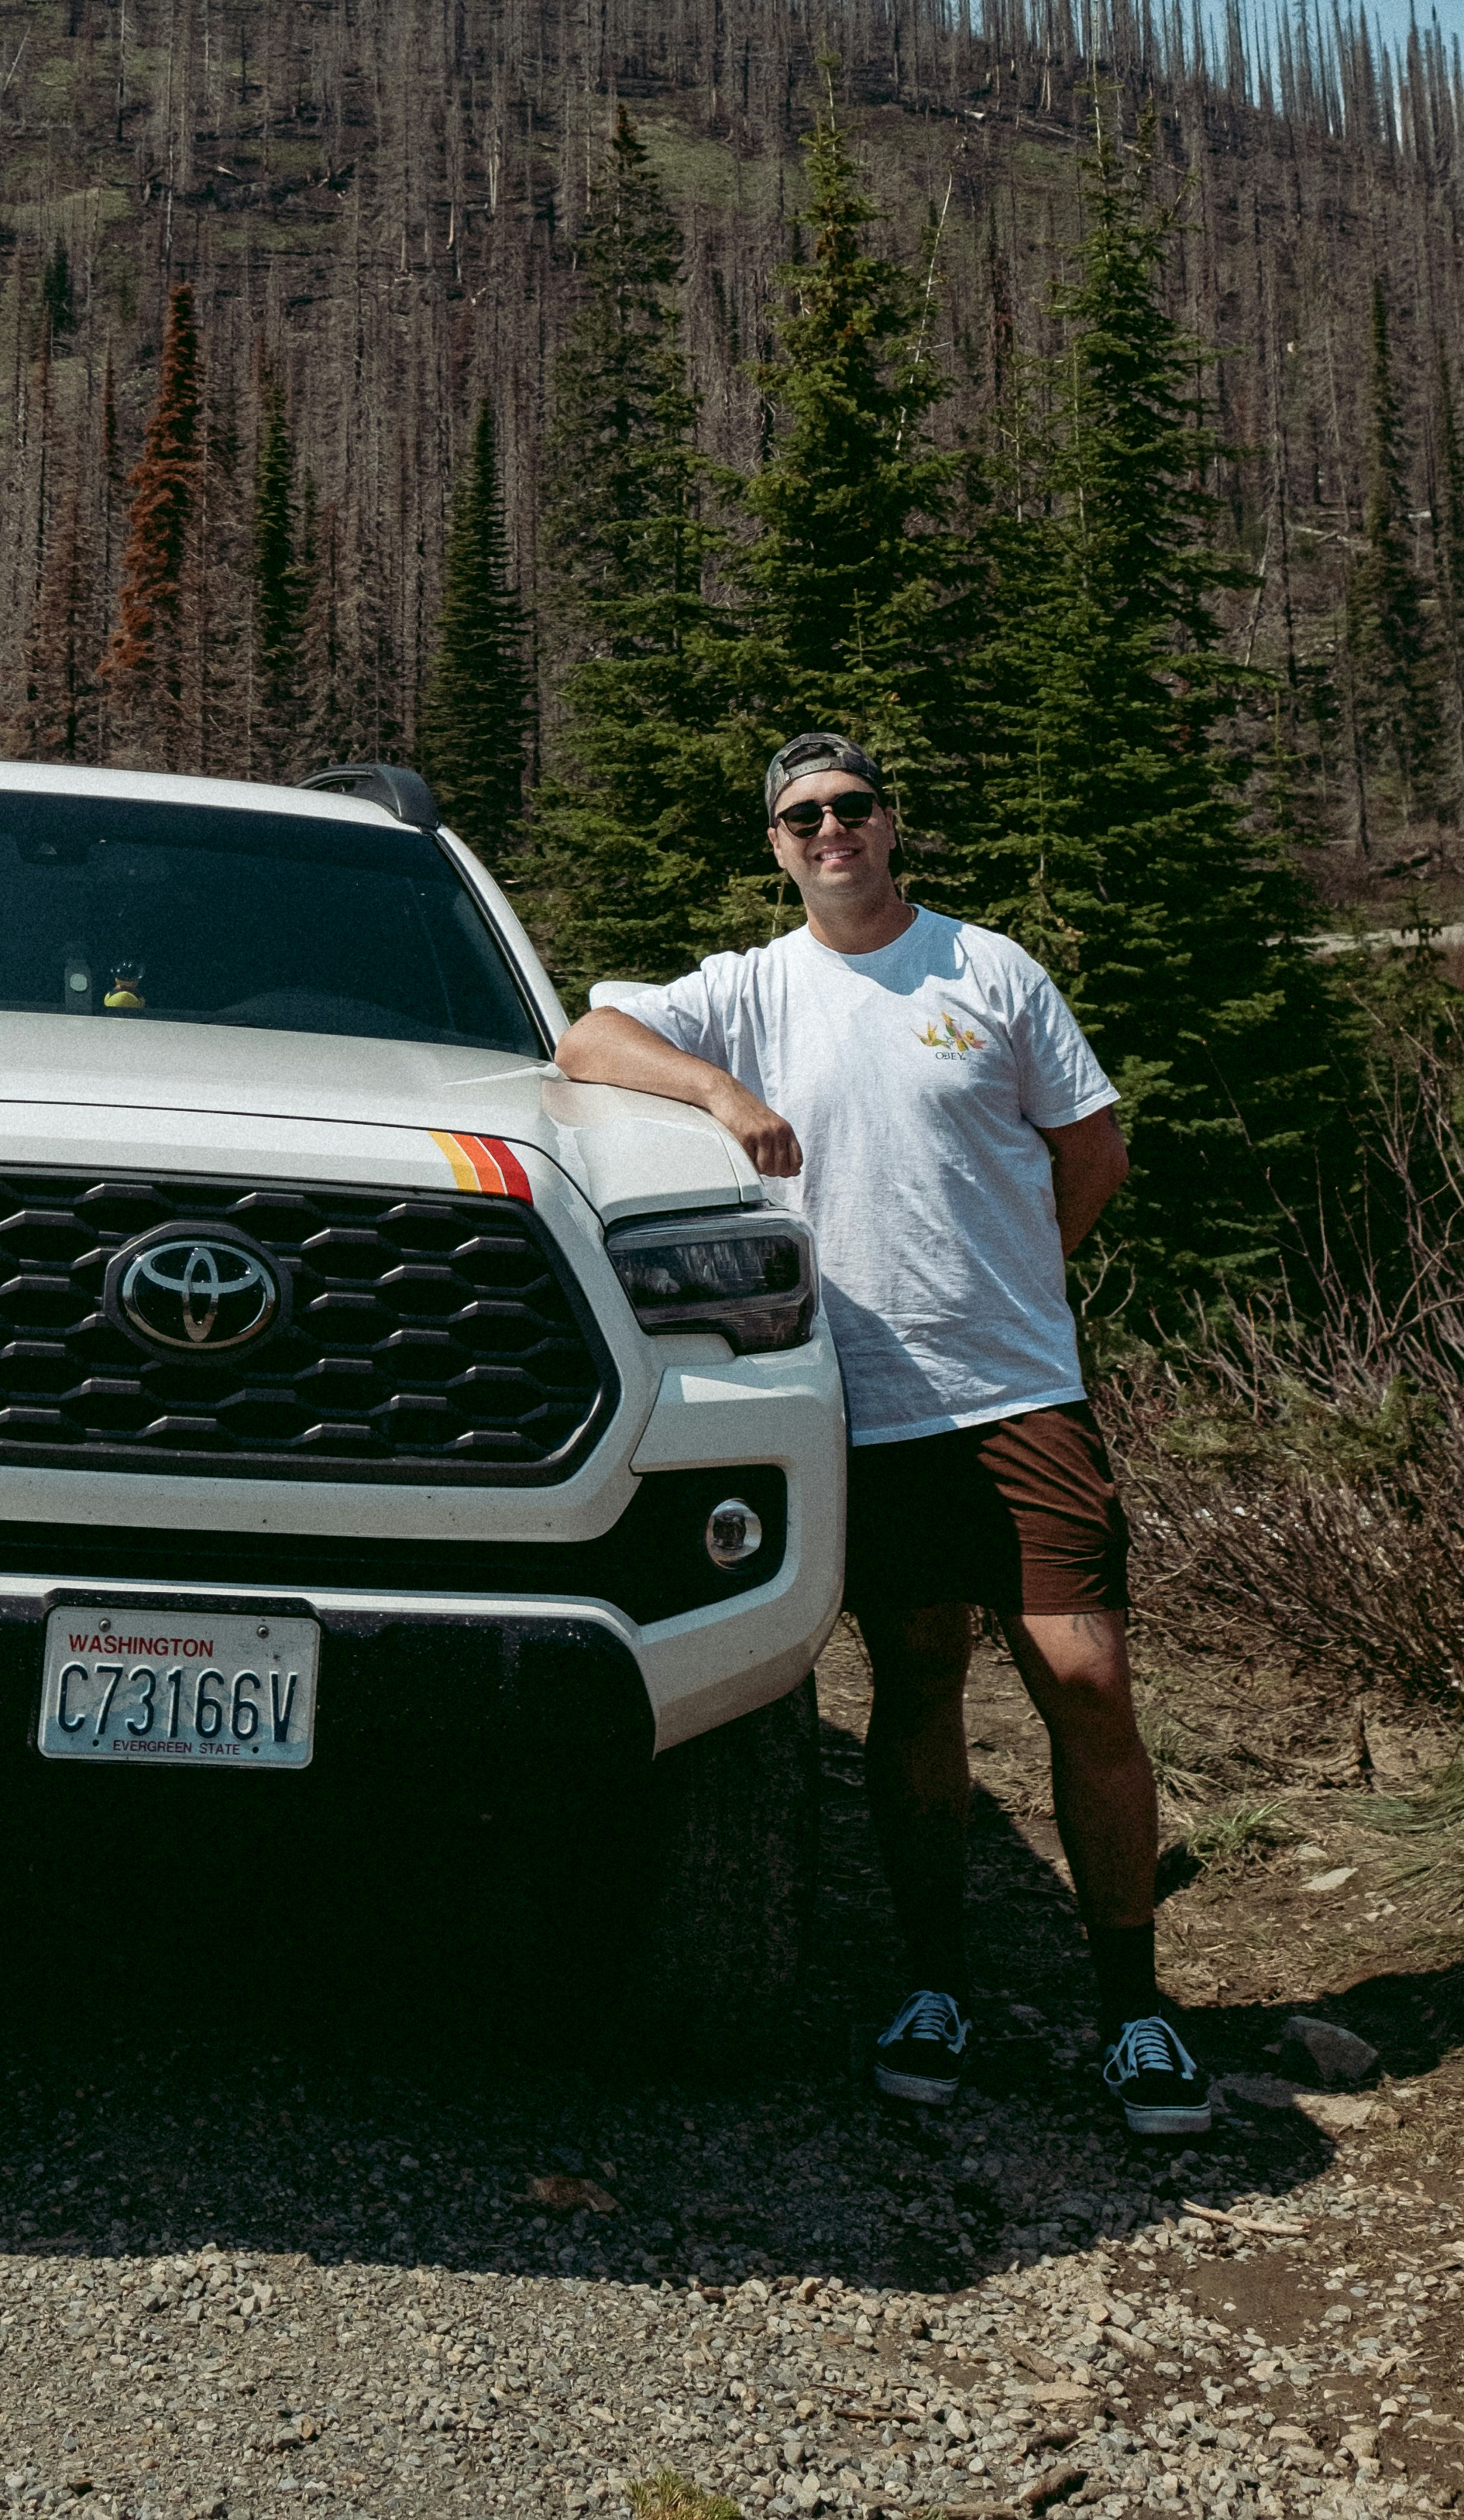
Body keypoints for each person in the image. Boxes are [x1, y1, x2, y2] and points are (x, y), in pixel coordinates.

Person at [555, 729, 1211, 2138]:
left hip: (1016, 1391)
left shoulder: (989, 967)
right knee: (915, 1687)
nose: (831, 831)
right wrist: (724, 1096)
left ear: (891, 824)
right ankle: (935, 1985)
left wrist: (1026, 1282)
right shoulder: (748, 990)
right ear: (778, 847)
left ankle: (1138, 2006)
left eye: (852, 807)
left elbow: (1093, 1147)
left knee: (1085, 1678)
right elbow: (587, 1037)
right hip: (862, 1404)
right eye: (803, 818)